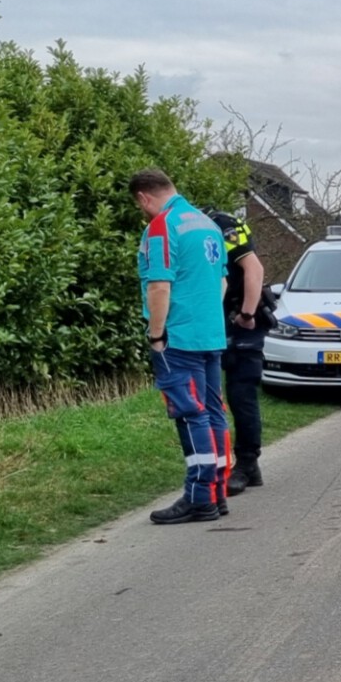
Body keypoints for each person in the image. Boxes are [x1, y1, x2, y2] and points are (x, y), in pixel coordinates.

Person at [131, 169, 230, 524]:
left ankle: (198, 497)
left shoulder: (162, 226)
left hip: (179, 338)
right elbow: (221, 282)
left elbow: (158, 286)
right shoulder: (208, 224)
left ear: (143, 197)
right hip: (210, 334)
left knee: (190, 415)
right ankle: (218, 492)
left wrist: (157, 335)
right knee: (214, 412)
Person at [209, 210, 268, 494]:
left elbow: (253, 269)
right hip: (217, 321)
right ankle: (224, 464)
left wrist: (246, 313)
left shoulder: (222, 225)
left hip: (242, 320)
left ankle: (245, 464)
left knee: (241, 393)